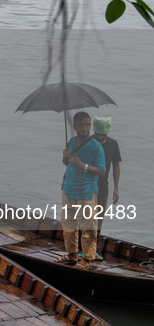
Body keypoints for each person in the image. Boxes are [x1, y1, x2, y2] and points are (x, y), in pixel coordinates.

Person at [55, 111, 105, 270]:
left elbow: (101, 170)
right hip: (69, 189)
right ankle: (71, 255)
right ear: (75, 126)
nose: (84, 128)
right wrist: (65, 157)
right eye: (81, 124)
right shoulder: (71, 141)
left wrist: (82, 165)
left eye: (87, 124)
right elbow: (69, 164)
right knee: (69, 226)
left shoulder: (96, 146)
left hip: (86, 192)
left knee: (88, 227)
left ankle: (87, 260)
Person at [93, 116, 122, 248]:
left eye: (103, 134)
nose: (100, 137)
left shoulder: (113, 144)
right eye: (98, 133)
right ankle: (82, 247)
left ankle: (94, 247)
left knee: (99, 220)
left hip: (103, 188)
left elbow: (116, 166)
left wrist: (116, 188)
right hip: (87, 188)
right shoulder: (88, 142)